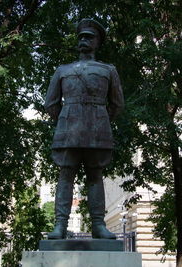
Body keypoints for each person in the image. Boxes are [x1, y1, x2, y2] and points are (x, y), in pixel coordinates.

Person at [44, 18, 124, 239]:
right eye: (81, 37)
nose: (83, 40)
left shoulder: (108, 70)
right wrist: (65, 121)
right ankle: (60, 226)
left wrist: (100, 119)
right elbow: (51, 103)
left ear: (98, 42)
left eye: (89, 37)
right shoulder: (62, 70)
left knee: (95, 175)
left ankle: (98, 225)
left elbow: (117, 104)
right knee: (65, 175)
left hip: (97, 131)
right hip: (68, 131)